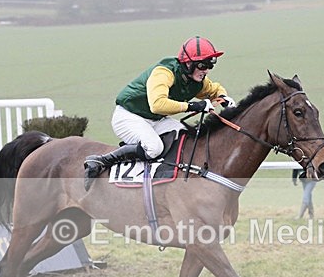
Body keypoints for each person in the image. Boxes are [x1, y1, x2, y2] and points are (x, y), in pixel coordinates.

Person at [84, 36, 236, 191]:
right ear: (188, 63)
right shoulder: (164, 72)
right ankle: (103, 161)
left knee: (184, 134)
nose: (206, 70)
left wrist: (223, 97)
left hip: (155, 120)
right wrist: (193, 106)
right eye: (203, 64)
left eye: (210, 64)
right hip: (129, 116)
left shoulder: (197, 80)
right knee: (153, 148)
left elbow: (215, 89)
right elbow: (158, 105)